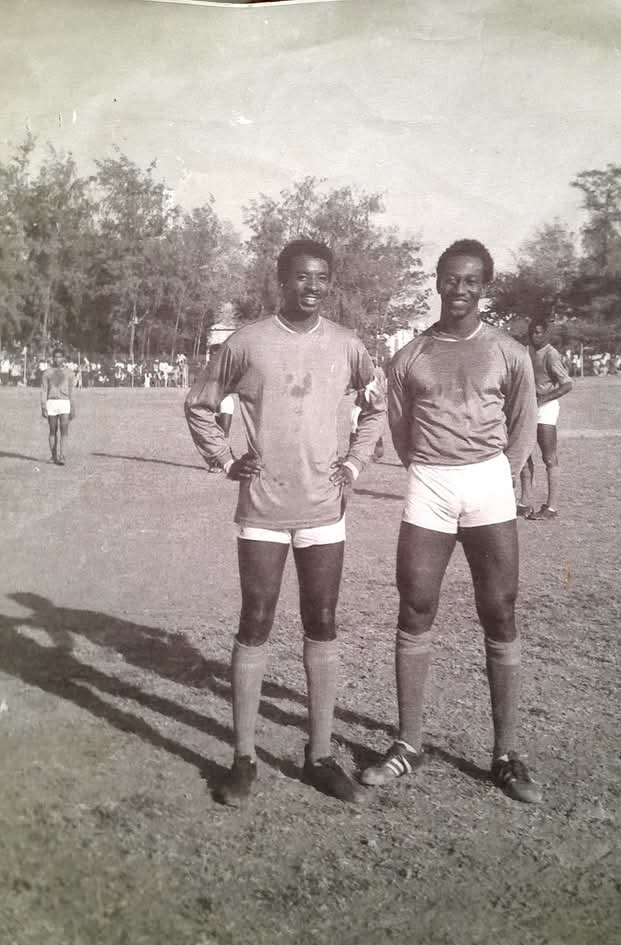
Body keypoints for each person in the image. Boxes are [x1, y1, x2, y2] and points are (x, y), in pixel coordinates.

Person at [185, 239, 386, 806]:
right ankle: (243, 758)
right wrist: (226, 461)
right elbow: (200, 404)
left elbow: (377, 406)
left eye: (322, 277)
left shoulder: (349, 346)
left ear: (330, 282)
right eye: (301, 276)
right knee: (256, 620)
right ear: (282, 280)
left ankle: (319, 756)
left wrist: (352, 462)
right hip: (263, 508)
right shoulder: (247, 343)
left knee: (322, 620)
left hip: (324, 509)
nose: (312, 286)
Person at [360, 238, 541, 804]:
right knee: (415, 605)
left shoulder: (508, 351)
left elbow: (524, 419)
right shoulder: (411, 354)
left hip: (488, 483)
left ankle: (506, 752)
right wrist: (430, 470)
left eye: (471, 281)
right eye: (450, 279)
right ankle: (410, 743)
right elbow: (398, 424)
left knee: (500, 608)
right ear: (437, 282)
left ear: (484, 287)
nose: (459, 289)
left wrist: (499, 475)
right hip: (430, 486)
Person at [517, 317, 573, 520]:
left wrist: (544, 398)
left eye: (539, 332)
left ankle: (551, 507)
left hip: (546, 408)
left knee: (549, 457)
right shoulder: (526, 351)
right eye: (532, 332)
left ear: (547, 334)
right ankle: (524, 503)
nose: (535, 336)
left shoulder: (551, 354)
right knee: (524, 455)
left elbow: (567, 384)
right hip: (528, 408)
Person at [41, 348, 76, 465]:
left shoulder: (69, 373)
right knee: (52, 430)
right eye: (55, 357)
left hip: (64, 402)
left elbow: (71, 391)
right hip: (51, 402)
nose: (57, 359)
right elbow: (44, 390)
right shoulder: (47, 373)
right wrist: (43, 405)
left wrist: (73, 406)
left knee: (64, 430)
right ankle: (53, 456)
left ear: (64, 358)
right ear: (52, 358)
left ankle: (62, 456)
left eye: (60, 357)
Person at [205, 344, 237, 474]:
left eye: (214, 353)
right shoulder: (209, 369)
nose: (212, 356)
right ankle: (218, 461)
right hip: (213, 402)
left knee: (224, 432)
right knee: (216, 434)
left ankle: (226, 460)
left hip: (225, 401)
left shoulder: (227, 368)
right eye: (211, 354)